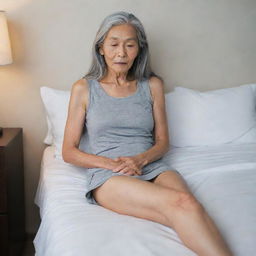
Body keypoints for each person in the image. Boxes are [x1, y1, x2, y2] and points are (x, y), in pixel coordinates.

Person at [62, 11, 233, 256]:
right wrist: (112, 164)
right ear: (101, 48)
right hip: (109, 173)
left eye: (130, 45)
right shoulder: (83, 88)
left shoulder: (152, 85)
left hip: (152, 165)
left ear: (139, 50)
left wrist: (140, 159)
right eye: (114, 44)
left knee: (189, 204)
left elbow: (163, 142)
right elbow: (69, 151)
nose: (121, 53)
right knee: (181, 206)